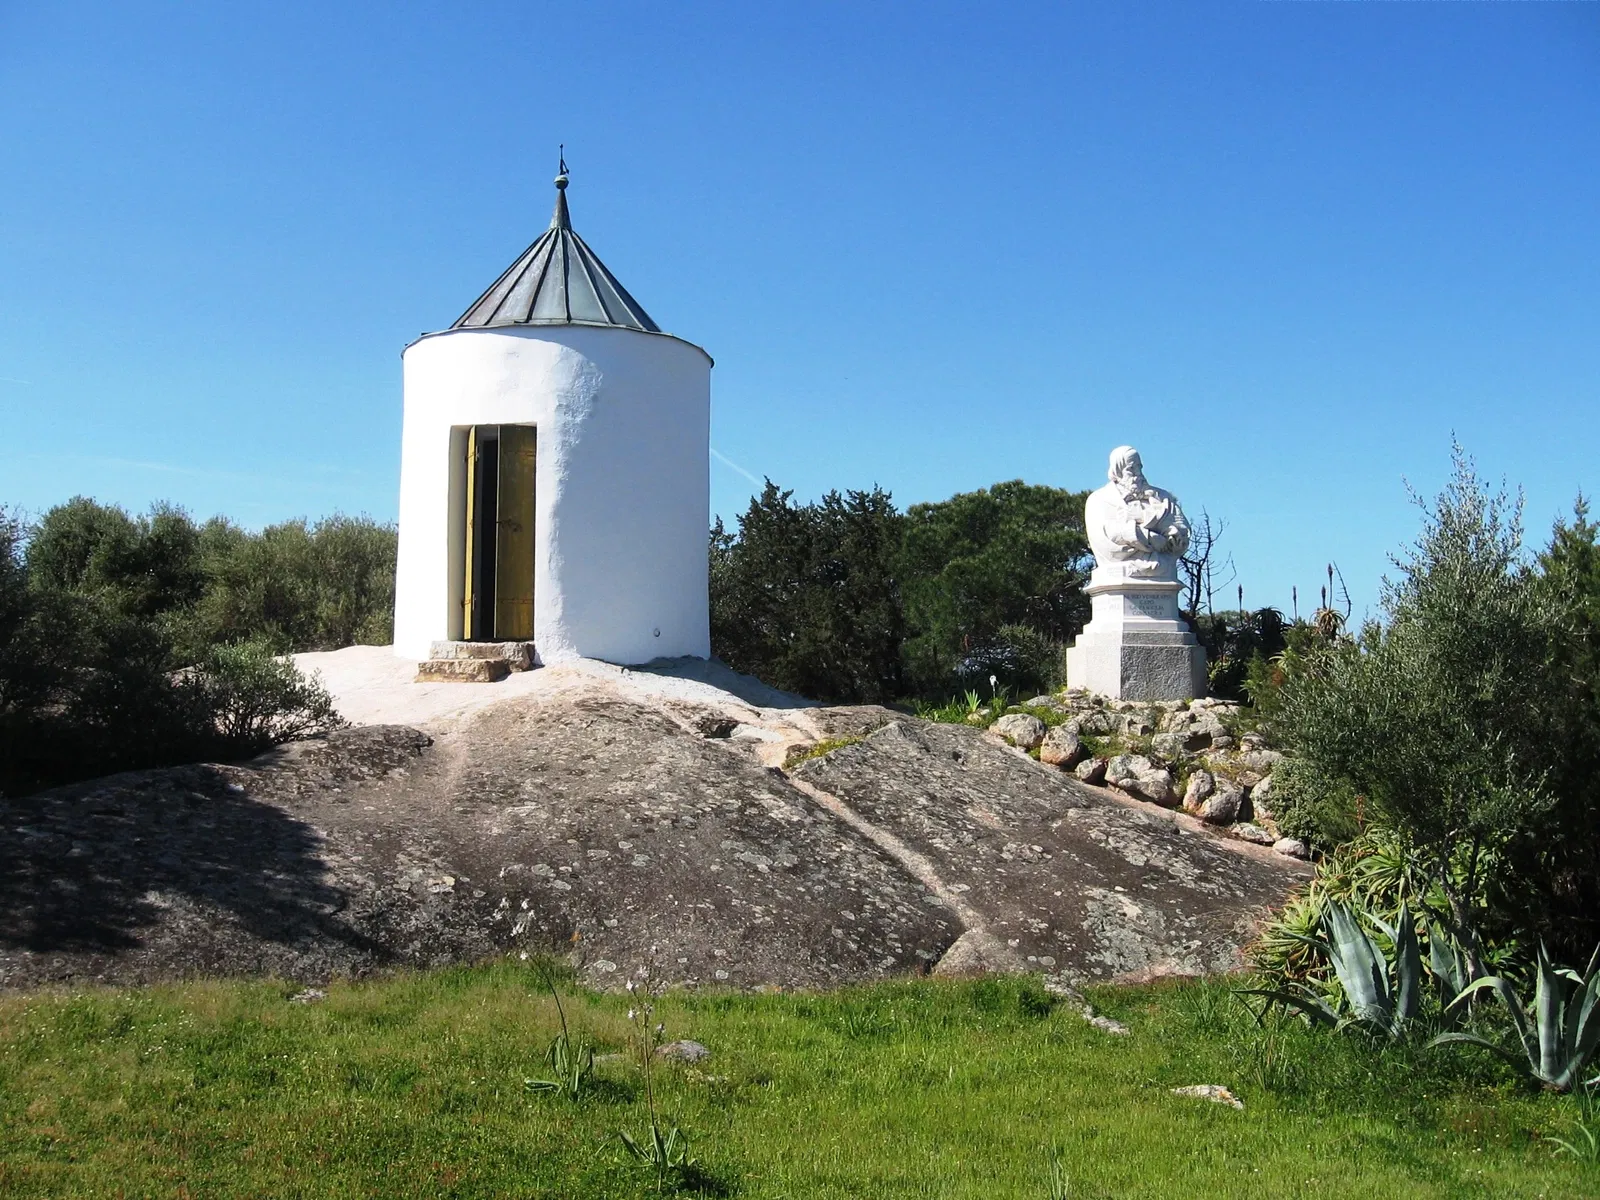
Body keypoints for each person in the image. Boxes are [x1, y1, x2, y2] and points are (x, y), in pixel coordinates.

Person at [1083, 446, 1190, 585]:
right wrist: (1150, 537)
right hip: (1119, 576)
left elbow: (1182, 531)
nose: (1138, 473)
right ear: (1118, 470)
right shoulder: (1099, 499)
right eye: (1130, 469)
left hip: (1163, 572)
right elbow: (1105, 537)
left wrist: (1170, 533)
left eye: (1139, 467)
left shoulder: (1163, 497)